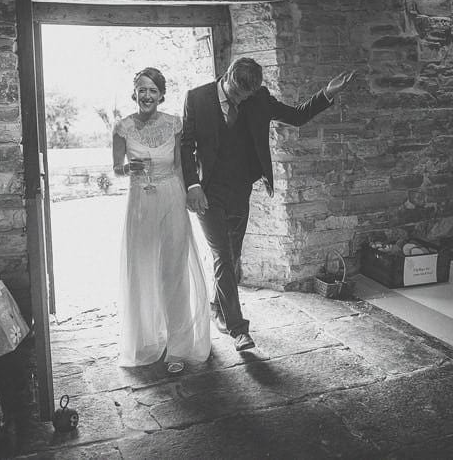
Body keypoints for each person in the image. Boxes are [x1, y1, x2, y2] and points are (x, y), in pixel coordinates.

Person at [181, 57, 355, 351]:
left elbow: (297, 115)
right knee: (223, 255)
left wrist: (327, 93)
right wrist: (192, 185)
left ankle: (217, 307)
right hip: (208, 192)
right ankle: (238, 330)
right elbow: (186, 145)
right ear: (228, 77)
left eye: (246, 96)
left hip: (240, 190)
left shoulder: (257, 97)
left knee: (232, 256)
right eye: (236, 94)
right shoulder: (196, 98)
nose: (241, 100)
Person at [112, 67, 211, 373]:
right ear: (135, 92)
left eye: (153, 90)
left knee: (174, 270)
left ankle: (179, 346)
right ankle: (146, 339)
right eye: (142, 89)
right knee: (142, 269)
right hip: (140, 201)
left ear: (161, 95)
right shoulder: (122, 127)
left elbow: (183, 165)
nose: (147, 95)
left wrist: (188, 196)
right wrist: (129, 169)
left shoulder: (174, 125)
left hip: (171, 197)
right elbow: (116, 168)